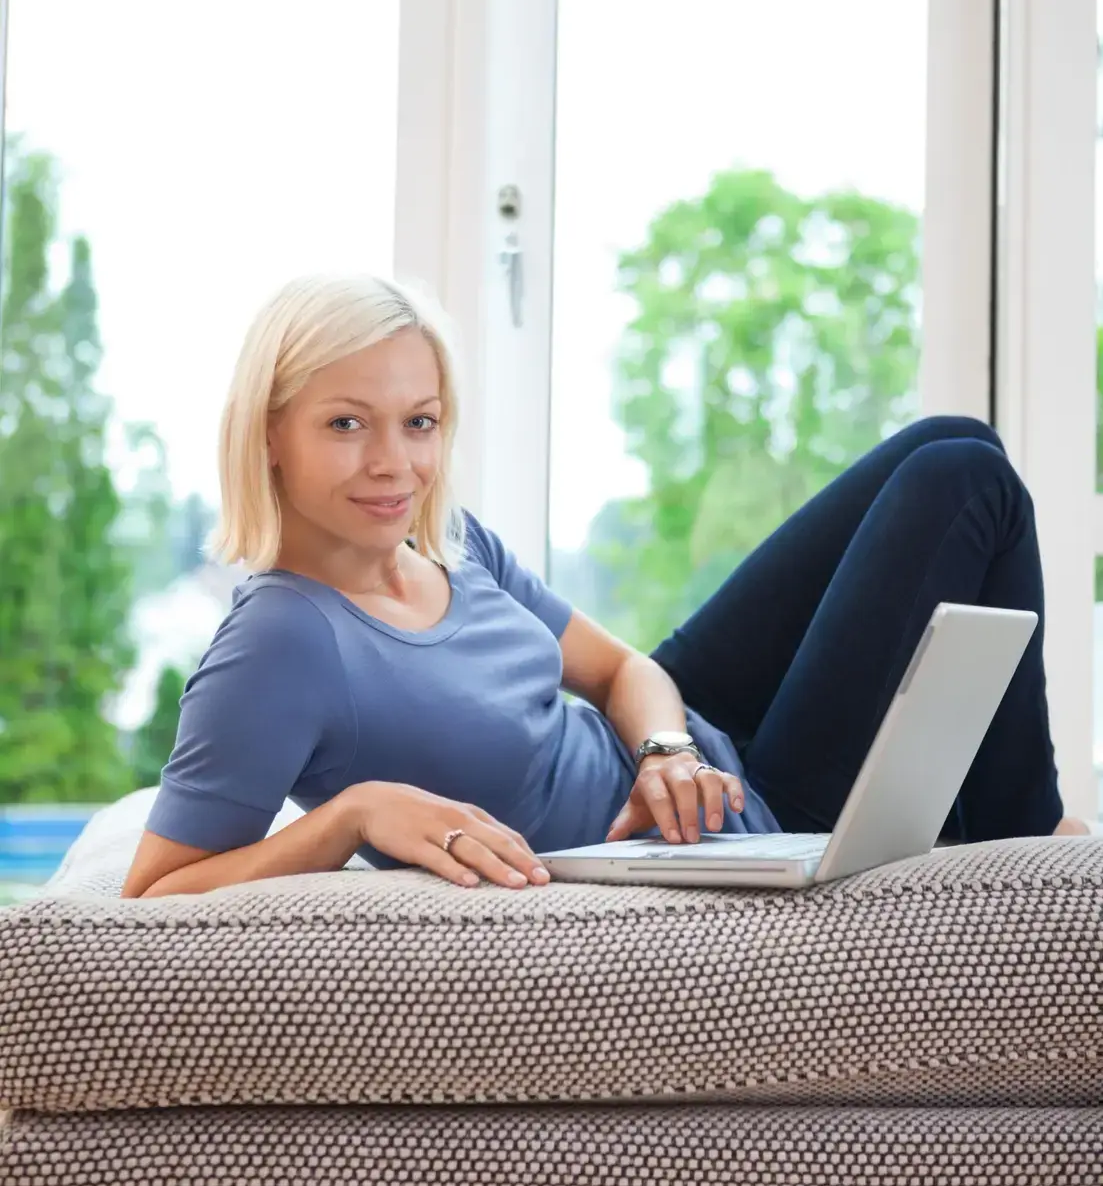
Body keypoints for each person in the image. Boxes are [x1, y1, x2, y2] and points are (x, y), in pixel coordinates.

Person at [121, 274, 1095, 900]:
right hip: (737, 825)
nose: (392, 464)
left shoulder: (450, 542)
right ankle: (1021, 829)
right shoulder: (279, 640)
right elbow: (156, 890)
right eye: (345, 424)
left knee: (945, 442)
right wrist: (352, 813)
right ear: (269, 439)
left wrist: (664, 749)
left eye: (417, 423)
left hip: (684, 760)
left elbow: (621, 668)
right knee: (963, 485)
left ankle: (1006, 814)